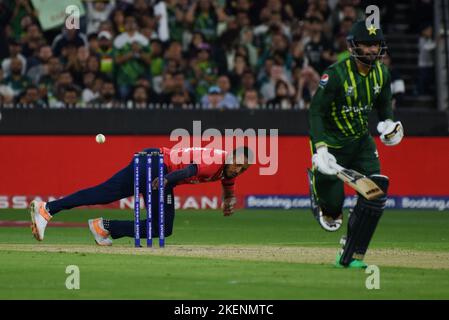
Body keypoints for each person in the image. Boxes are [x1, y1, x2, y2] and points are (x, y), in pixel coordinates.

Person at [307, 20, 404, 268]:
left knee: (376, 192)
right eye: (367, 44)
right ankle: (319, 192)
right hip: (332, 146)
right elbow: (315, 111)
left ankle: (351, 255)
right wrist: (321, 148)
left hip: (361, 142)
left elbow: (384, 106)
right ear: (354, 46)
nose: (372, 50)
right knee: (332, 215)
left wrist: (388, 125)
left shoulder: (383, 73)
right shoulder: (336, 74)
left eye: (376, 44)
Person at [29, 146, 252, 246]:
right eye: (238, 165)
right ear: (231, 156)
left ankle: (48, 208)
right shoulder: (214, 162)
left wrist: (228, 199)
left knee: (104, 193)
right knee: (162, 228)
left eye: (243, 169)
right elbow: (189, 171)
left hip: (149, 159)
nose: (238, 170)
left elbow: (228, 182)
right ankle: (104, 227)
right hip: (158, 167)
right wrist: (164, 181)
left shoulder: (227, 167)